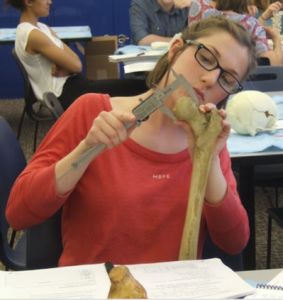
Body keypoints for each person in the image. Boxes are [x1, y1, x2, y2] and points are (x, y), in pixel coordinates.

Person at [6, 15, 257, 267]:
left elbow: (234, 243)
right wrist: (85, 152)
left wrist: (209, 161)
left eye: (226, 79)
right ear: (175, 50)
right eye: (205, 58)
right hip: (97, 290)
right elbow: (18, 214)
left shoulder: (209, 141)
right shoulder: (92, 112)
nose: (211, 79)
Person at [5, 0, 148, 111]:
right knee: (139, 88)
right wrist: (69, 66)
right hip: (66, 94)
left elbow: (73, 58)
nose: (50, 2)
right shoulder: (32, 34)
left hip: (75, 85)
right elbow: (77, 65)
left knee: (139, 86)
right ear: (28, 2)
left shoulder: (42, 28)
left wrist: (67, 67)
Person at [189, 0, 283, 66]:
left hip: (198, 73)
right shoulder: (250, 23)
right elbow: (274, 65)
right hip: (234, 83)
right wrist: (276, 39)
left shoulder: (197, 7)